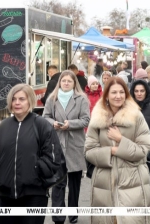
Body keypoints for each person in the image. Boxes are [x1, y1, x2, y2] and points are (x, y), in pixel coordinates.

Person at [0, 83, 64, 224]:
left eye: (21, 99)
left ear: (30, 101)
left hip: (34, 196)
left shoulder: (42, 125)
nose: (17, 102)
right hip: (6, 196)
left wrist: (36, 172)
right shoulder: (2, 127)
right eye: (14, 99)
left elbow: (53, 158)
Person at [84, 77, 150, 224]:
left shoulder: (136, 116)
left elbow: (144, 149)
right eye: (114, 92)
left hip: (133, 180)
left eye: (122, 92)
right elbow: (89, 150)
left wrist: (121, 140)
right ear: (107, 95)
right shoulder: (97, 117)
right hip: (104, 183)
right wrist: (112, 151)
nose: (118, 96)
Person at [42, 70, 90, 224]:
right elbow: (45, 117)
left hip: (75, 144)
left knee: (74, 184)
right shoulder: (52, 98)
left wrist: (71, 124)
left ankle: (73, 214)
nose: (66, 83)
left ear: (74, 83)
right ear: (60, 83)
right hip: (57, 145)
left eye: (70, 81)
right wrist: (53, 123)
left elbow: (86, 119)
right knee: (58, 183)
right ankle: (58, 216)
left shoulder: (81, 99)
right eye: (64, 81)